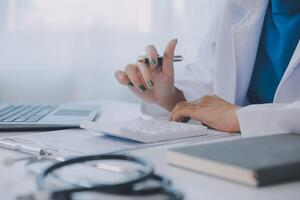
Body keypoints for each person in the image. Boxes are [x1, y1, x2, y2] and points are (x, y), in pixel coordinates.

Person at [115, 0, 300, 137]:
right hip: (242, 153)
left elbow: (227, 113)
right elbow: (210, 88)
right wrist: (170, 96)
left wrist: (237, 117)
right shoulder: (240, 6)